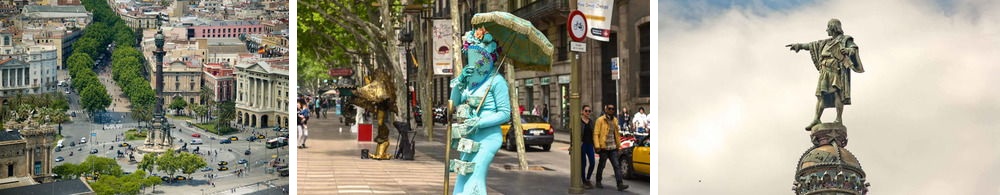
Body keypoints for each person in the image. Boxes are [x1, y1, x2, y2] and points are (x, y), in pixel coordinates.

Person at [449, 27, 511, 195]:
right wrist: (460, 80)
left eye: (479, 55)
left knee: (474, 177)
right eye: (471, 55)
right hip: (469, 137)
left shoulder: (497, 81)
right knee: (462, 176)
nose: (475, 60)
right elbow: (453, 103)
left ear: (489, 57)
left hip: (488, 137)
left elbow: (505, 113)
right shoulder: (471, 82)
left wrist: (480, 122)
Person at [786, 18, 865, 130]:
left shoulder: (845, 39)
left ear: (833, 27)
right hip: (824, 71)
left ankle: (838, 119)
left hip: (835, 70)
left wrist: (847, 50)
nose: (826, 30)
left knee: (837, 93)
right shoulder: (826, 42)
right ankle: (816, 119)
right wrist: (799, 45)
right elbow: (812, 45)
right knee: (820, 96)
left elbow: (853, 49)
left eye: (828, 27)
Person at [593, 104, 629, 191]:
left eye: (613, 109)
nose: (611, 110)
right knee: (602, 165)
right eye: (609, 109)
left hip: (613, 148)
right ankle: (598, 181)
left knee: (616, 166)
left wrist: (618, 145)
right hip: (604, 148)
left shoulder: (615, 120)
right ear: (606, 110)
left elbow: (616, 134)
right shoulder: (600, 120)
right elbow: (596, 133)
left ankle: (620, 184)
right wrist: (597, 146)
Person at [580, 105, 596, 189]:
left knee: (592, 162)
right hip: (582, 145)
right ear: (582, 111)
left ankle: (588, 178)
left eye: (589, 111)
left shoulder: (591, 122)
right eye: (586, 111)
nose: (588, 113)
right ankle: (583, 181)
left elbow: (594, 133)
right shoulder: (579, 122)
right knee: (583, 164)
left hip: (590, 144)